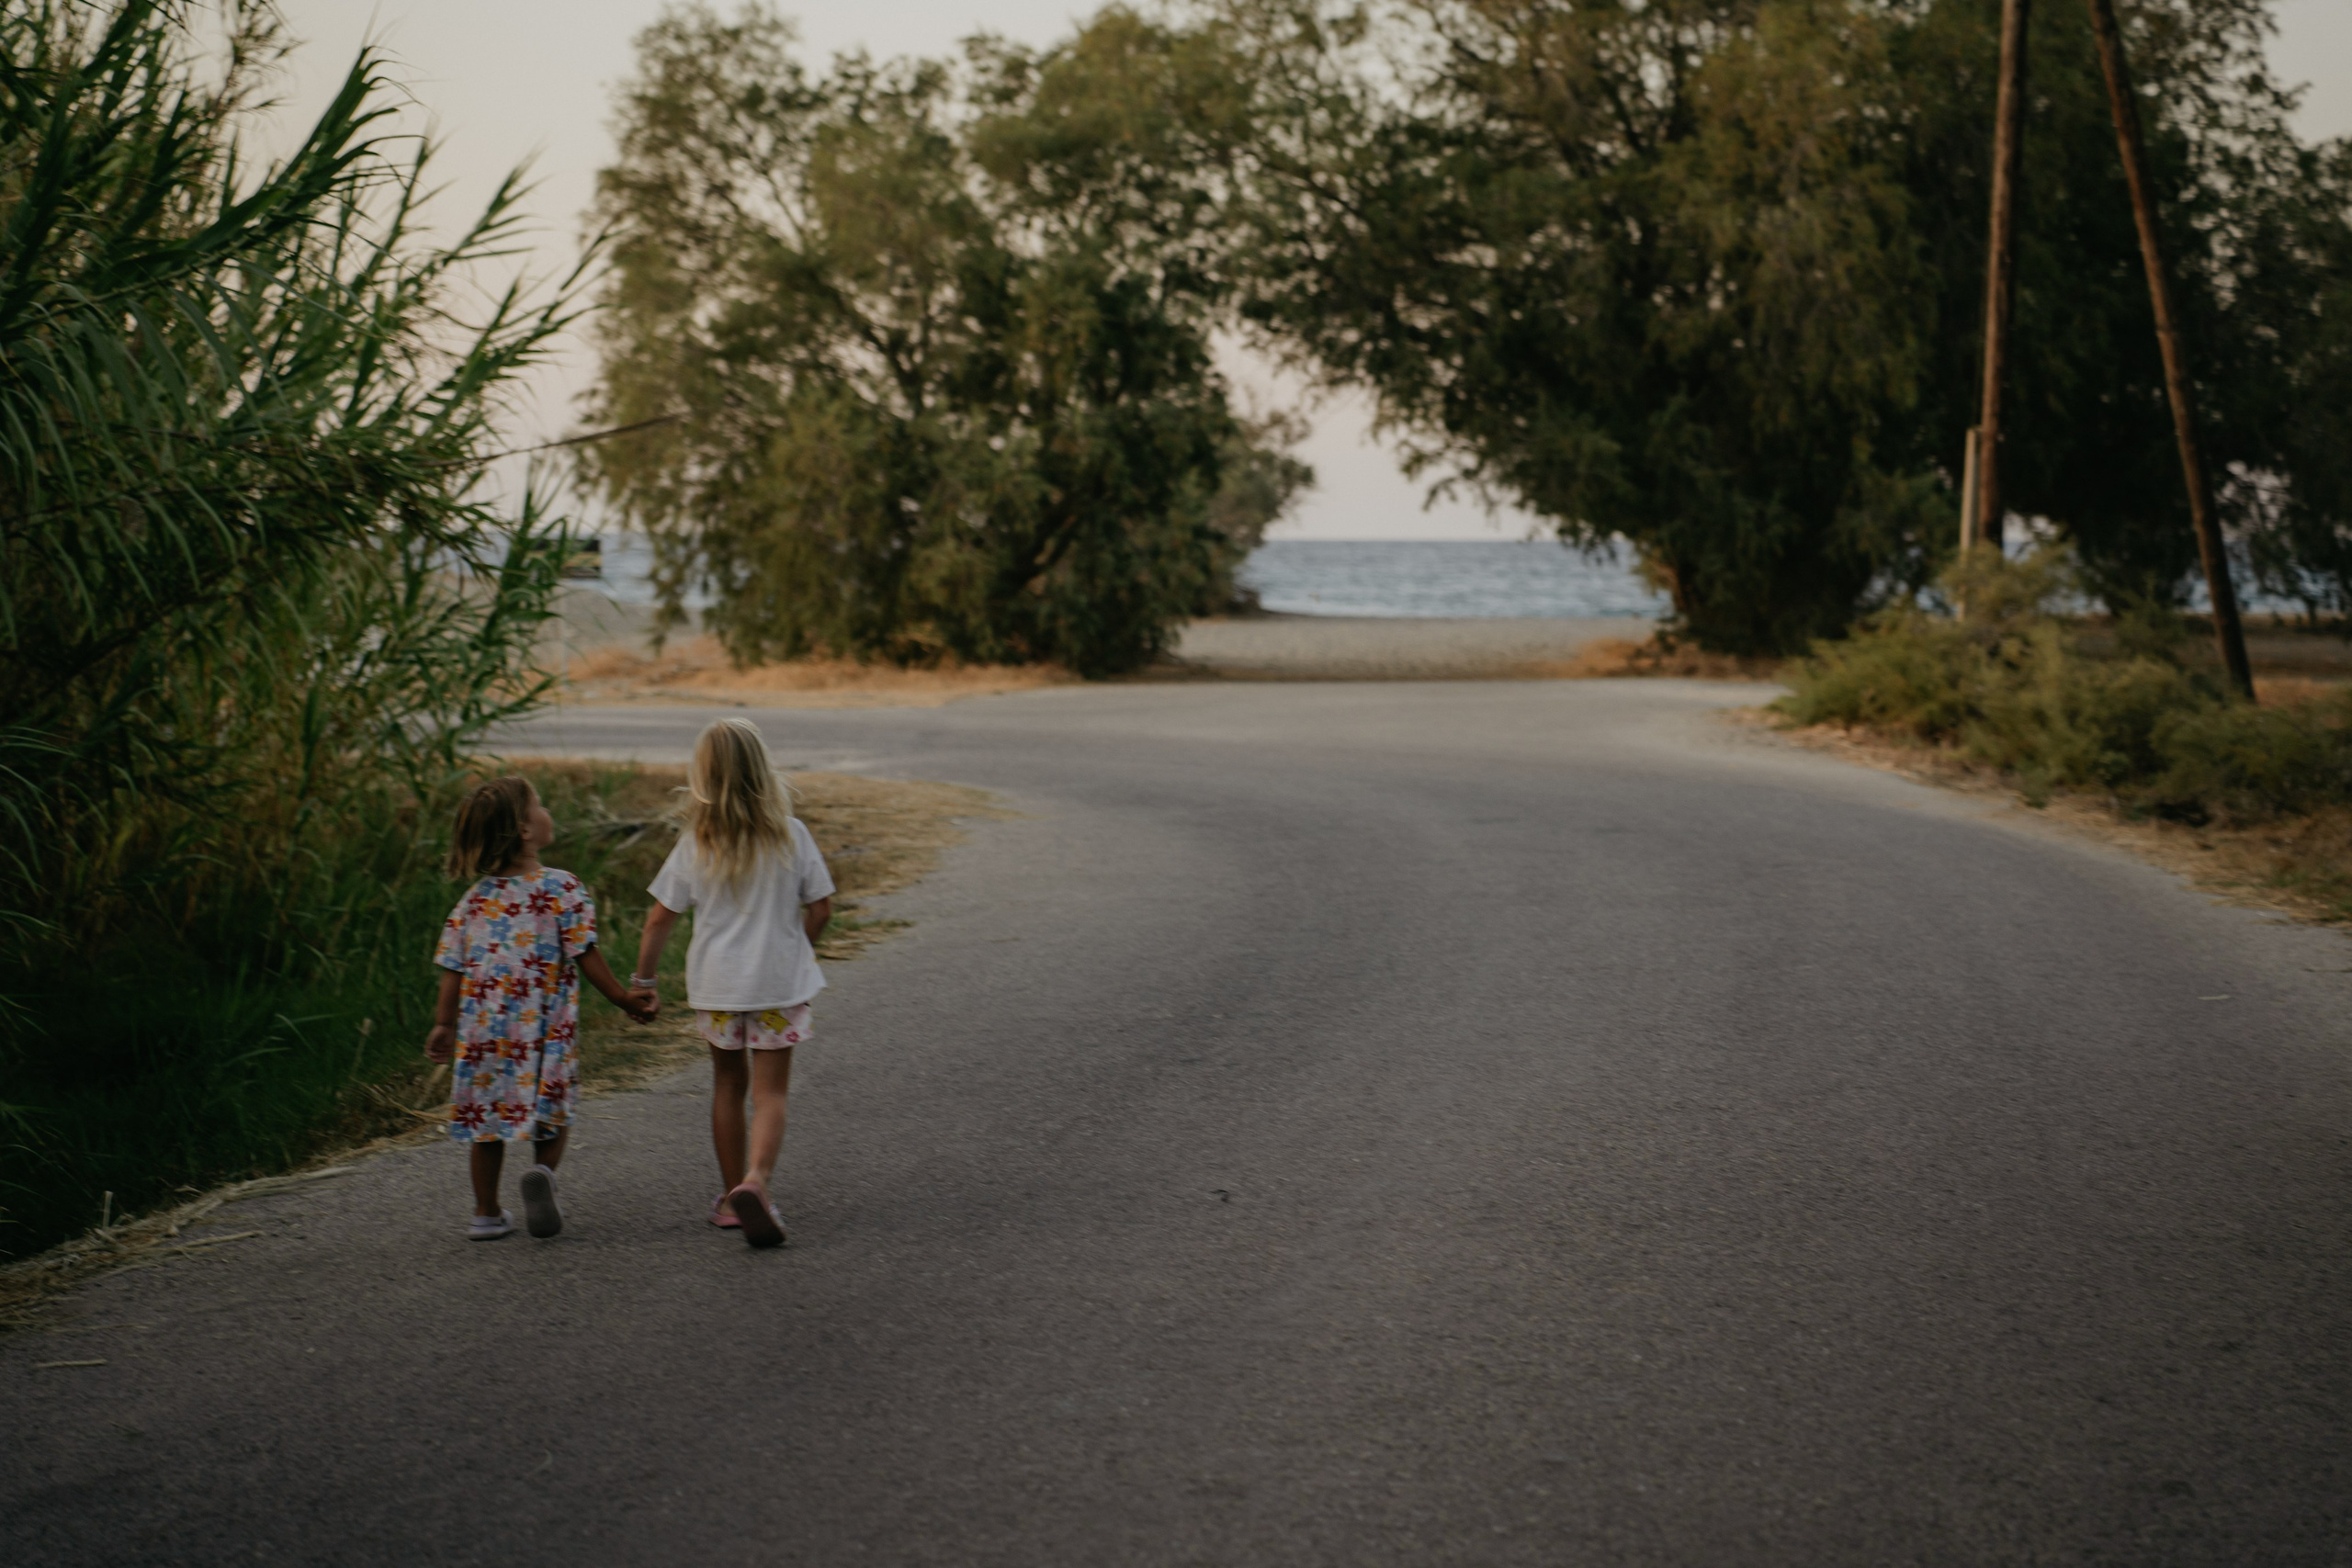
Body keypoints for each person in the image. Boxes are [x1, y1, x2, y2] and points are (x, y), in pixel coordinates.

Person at [632, 718, 833, 1249]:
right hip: (778, 986)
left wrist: (643, 980)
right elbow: (821, 906)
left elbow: (659, 918)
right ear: (763, 770)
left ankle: (730, 1199)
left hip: (718, 989)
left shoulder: (696, 842)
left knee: (727, 1087)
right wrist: (799, 949)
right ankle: (758, 1182)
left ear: (704, 777)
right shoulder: (792, 834)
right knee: (770, 1094)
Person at [425, 776, 655, 1241]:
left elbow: (453, 967)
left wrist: (443, 1024)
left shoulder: (473, 900)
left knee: (486, 1122)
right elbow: (586, 955)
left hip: (485, 1033)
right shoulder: (561, 888)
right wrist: (624, 999)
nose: (549, 813)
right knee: (550, 1109)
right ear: (525, 831)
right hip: (543, 1028)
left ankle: (486, 1213)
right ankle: (543, 1176)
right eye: (541, 806)